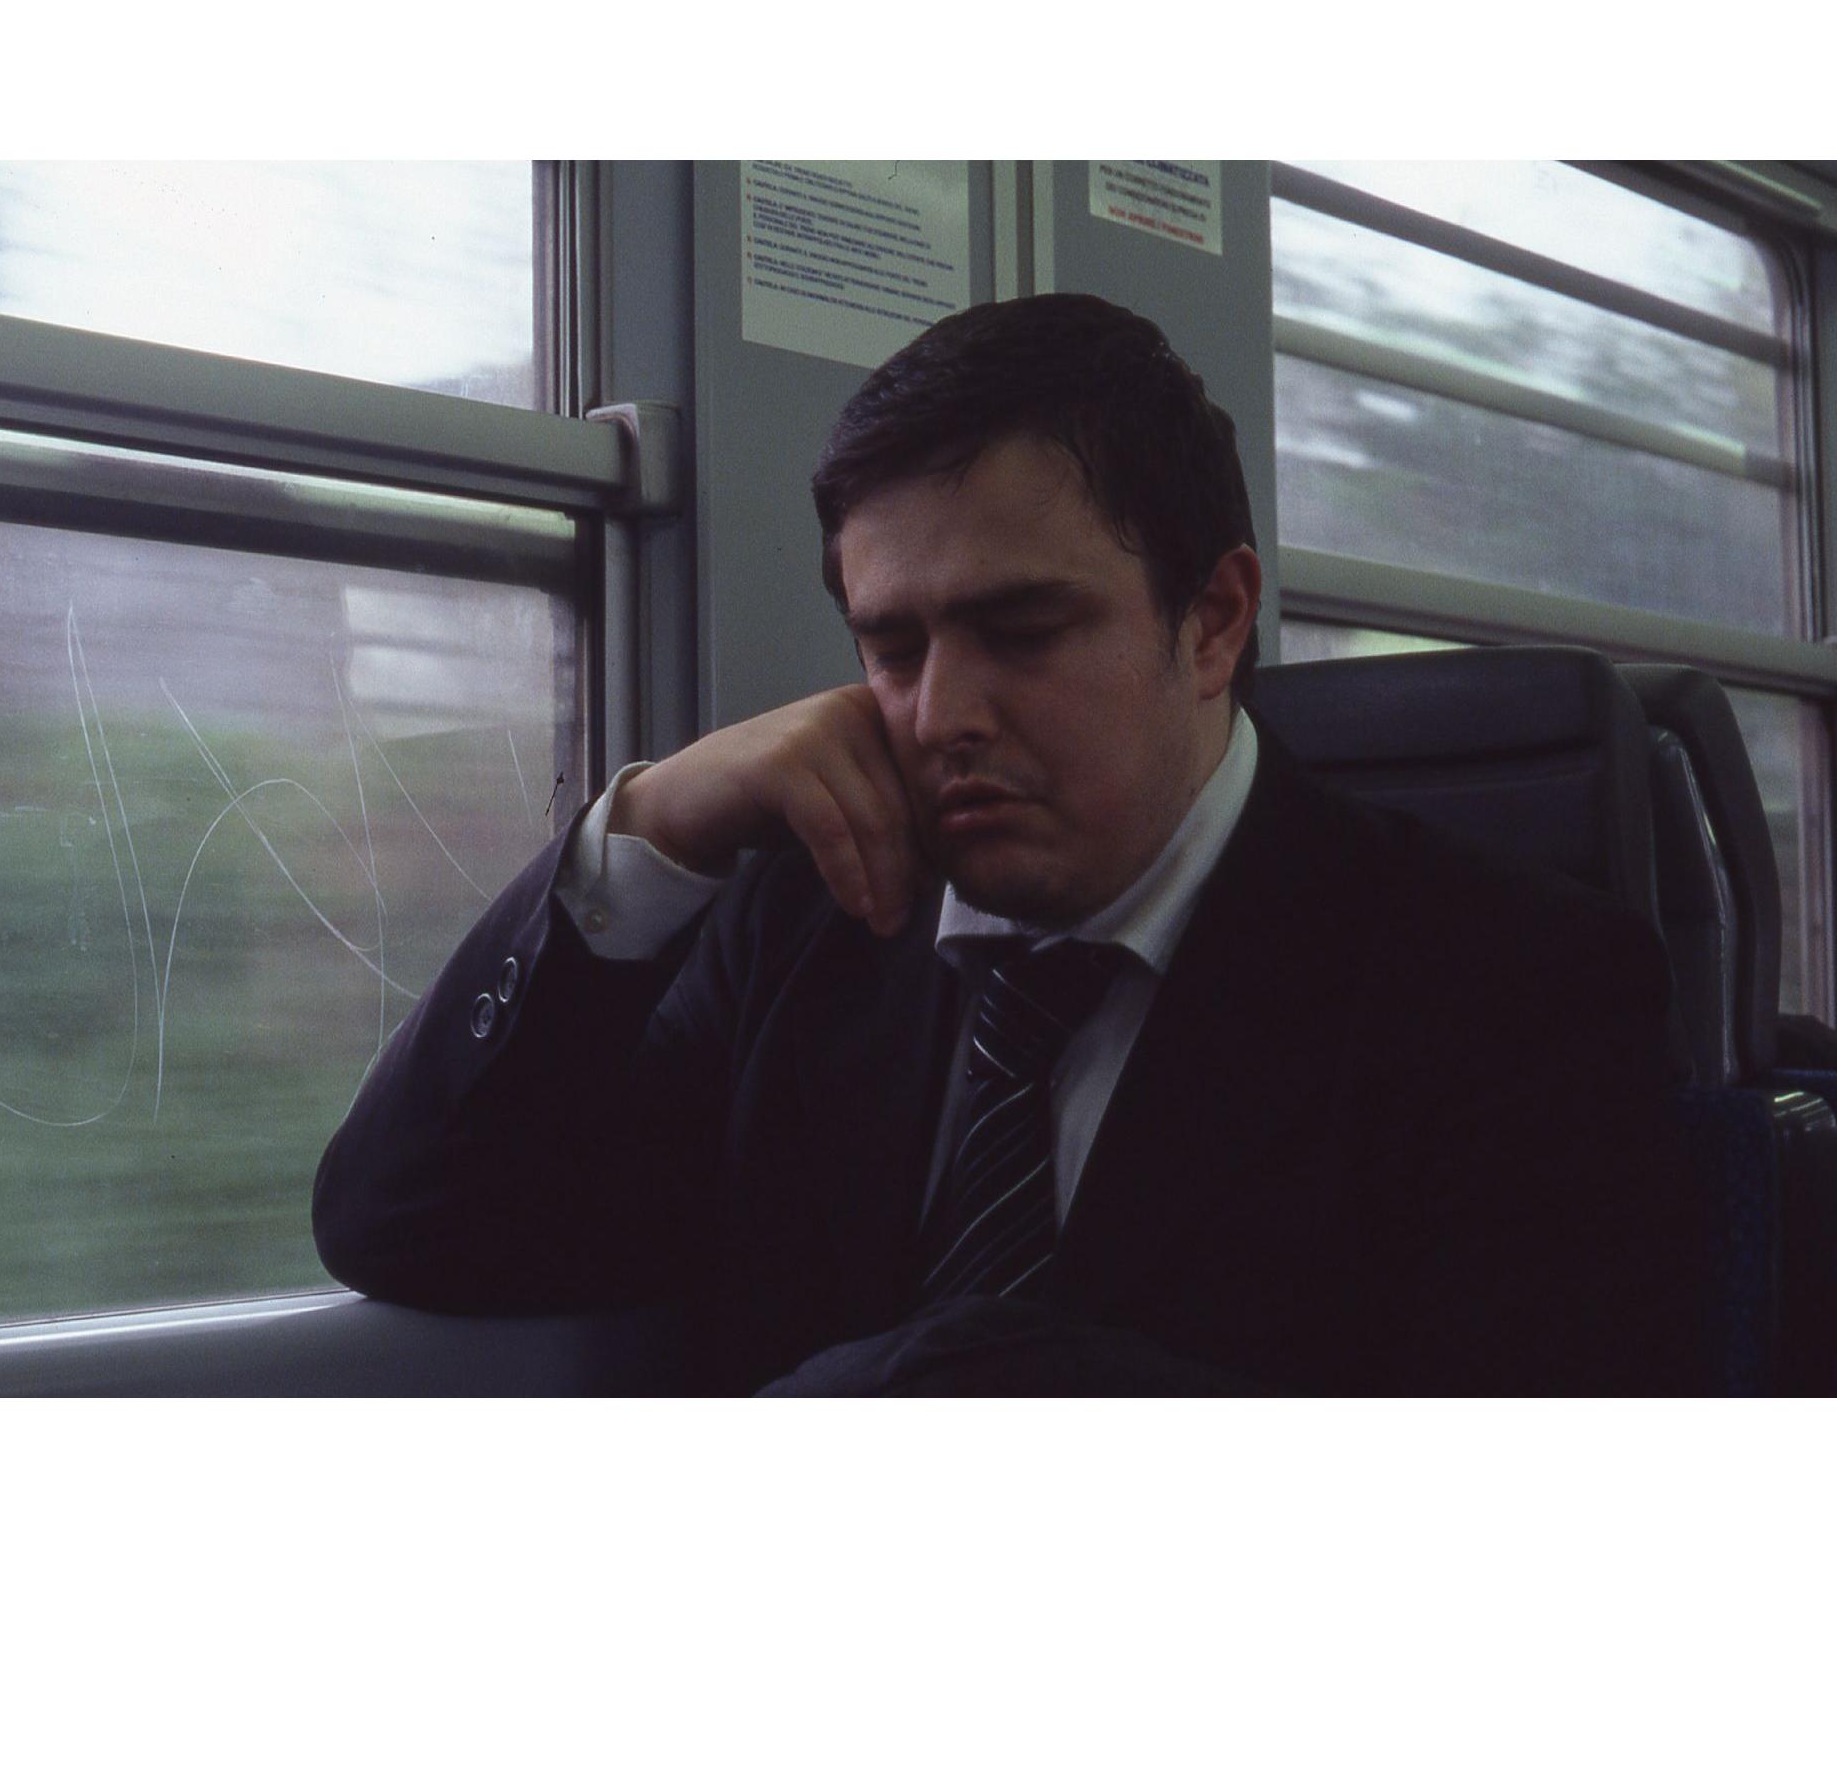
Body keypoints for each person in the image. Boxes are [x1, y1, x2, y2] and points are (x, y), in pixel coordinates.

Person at [312, 293, 1703, 1394]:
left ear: (1213, 622)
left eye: (1024, 632)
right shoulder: (807, 927)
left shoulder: (1512, 992)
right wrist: (651, 829)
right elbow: (411, 1223)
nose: (942, 716)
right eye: (893, 648)